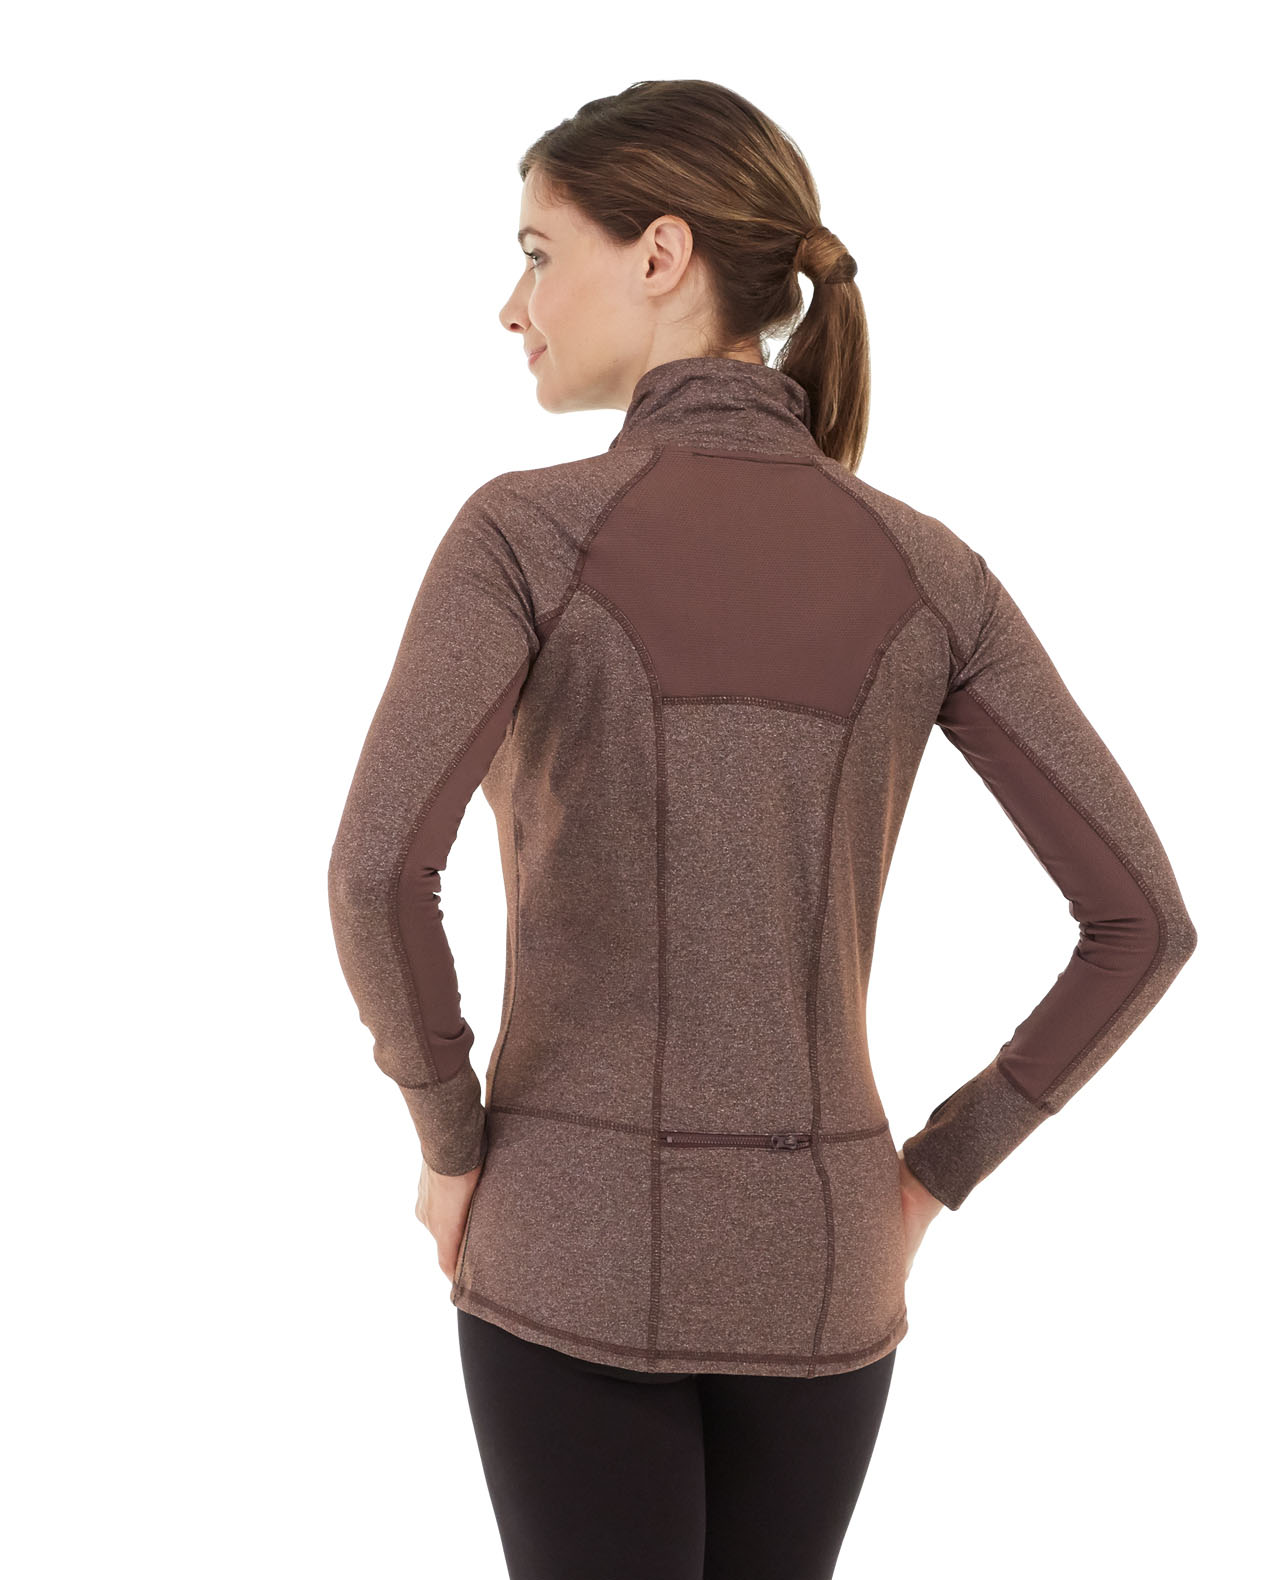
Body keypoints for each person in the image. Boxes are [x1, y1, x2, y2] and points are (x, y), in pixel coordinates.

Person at [326, 80, 1197, 1580]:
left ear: (660, 253)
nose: (511, 305)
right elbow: (1144, 924)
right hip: (827, 1261)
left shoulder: (526, 533)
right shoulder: (931, 570)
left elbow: (373, 872)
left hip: (569, 1243)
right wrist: (927, 1176)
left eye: (537, 252)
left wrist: (449, 1143)